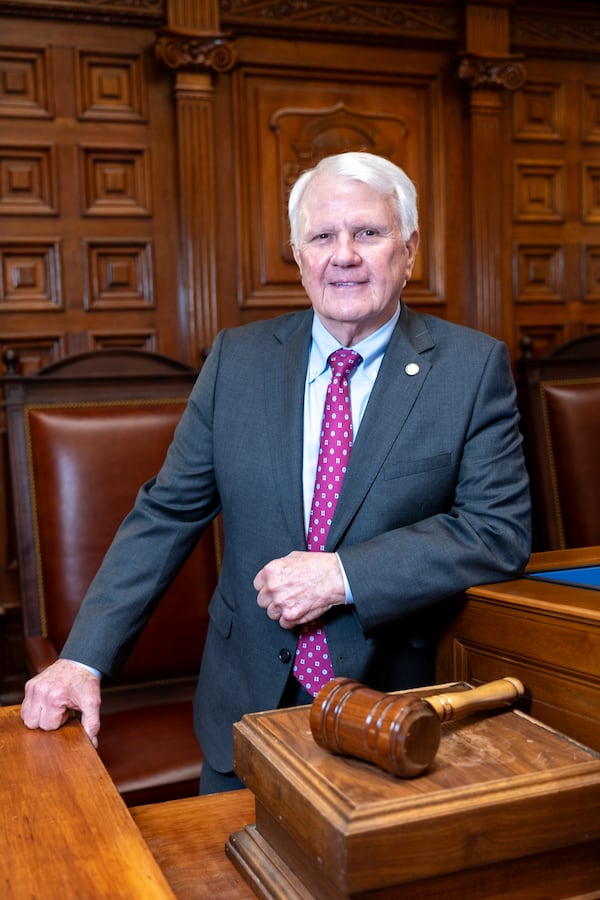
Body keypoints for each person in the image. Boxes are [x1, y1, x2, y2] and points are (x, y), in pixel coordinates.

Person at [20, 151, 531, 794]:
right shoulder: (239, 360)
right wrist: (83, 656)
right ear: (297, 253)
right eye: (322, 236)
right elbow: (166, 513)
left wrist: (345, 575)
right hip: (241, 711)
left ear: (410, 249)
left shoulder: (471, 368)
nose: (343, 255)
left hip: (393, 714)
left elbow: (497, 531)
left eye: (368, 233)